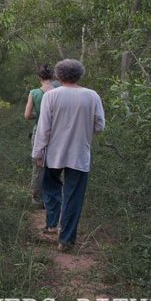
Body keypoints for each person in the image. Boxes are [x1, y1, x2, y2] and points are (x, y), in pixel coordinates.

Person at [31, 59, 105, 252]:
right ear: (80, 75)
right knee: (74, 196)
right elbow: (99, 126)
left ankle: (53, 222)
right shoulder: (92, 96)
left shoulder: (51, 96)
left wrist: (38, 153)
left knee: (51, 187)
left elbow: (43, 129)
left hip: (54, 154)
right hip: (79, 154)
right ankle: (66, 239)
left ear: (58, 75)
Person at [23, 64, 56, 206]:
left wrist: (39, 115)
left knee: (38, 164)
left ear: (39, 77)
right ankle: (53, 196)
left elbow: (27, 115)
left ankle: (36, 198)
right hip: (56, 132)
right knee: (55, 164)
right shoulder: (59, 90)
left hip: (40, 131)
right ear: (53, 76)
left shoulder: (34, 92)